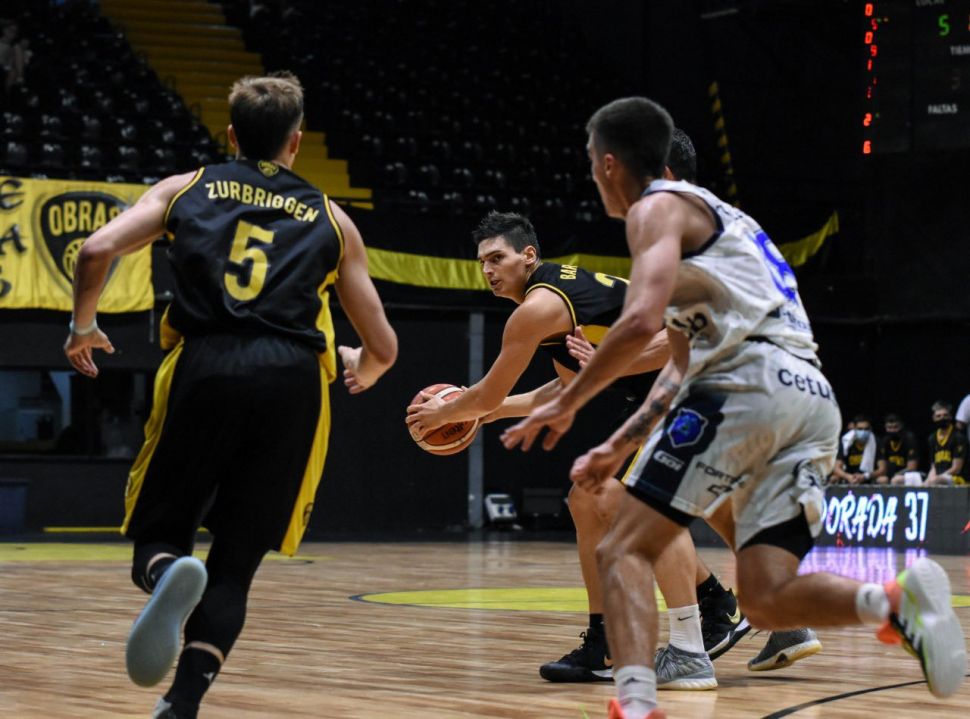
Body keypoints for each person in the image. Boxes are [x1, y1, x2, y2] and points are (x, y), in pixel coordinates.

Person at [501, 96, 966, 719]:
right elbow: (678, 366)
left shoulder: (658, 206)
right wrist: (619, 441)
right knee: (768, 597)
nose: (594, 178)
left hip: (747, 387)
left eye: (594, 163)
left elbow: (638, 324)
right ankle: (893, 604)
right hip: (810, 403)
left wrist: (570, 401)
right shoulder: (728, 230)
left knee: (622, 546)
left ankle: (642, 699)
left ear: (618, 164)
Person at [64, 72, 398, 719]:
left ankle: (166, 573)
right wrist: (364, 366)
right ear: (296, 141)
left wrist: (82, 325)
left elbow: (96, 249)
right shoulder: (334, 220)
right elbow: (383, 346)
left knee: (160, 534)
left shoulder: (187, 187)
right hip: (295, 380)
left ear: (231, 135)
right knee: (237, 563)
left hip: (207, 361)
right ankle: (182, 703)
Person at [406, 209, 742, 688]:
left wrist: (449, 411)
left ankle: (697, 635)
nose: (488, 270)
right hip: (678, 389)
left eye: (497, 258)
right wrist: (483, 413)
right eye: (482, 262)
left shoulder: (537, 309)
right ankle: (612, 641)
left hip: (694, 383)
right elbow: (565, 390)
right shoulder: (557, 301)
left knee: (646, 507)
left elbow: (489, 392)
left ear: (528, 256)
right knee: (588, 500)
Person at [919, 401, 966, 486]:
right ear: (933, 418)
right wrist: (927, 481)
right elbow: (933, 467)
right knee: (923, 485)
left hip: (957, 478)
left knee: (935, 481)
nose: (942, 418)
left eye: (945, 415)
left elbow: (956, 469)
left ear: (950, 417)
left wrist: (936, 478)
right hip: (939, 477)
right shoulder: (932, 438)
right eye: (938, 416)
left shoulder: (958, 437)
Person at [830, 414, 879, 484]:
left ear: (870, 429)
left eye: (866, 429)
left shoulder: (875, 441)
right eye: (860, 429)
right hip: (849, 476)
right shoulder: (845, 441)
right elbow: (836, 468)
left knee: (883, 479)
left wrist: (865, 476)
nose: (863, 432)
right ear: (854, 429)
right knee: (833, 478)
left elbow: (882, 469)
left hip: (868, 476)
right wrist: (848, 477)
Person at [874, 413, 919, 485]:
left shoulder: (909, 439)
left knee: (897, 480)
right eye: (889, 427)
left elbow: (912, 467)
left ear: (901, 426)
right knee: (882, 480)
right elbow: (882, 467)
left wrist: (895, 475)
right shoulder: (884, 441)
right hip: (891, 475)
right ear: (885, 428)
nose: (892, 430)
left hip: (908, 475)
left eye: (895, 427)